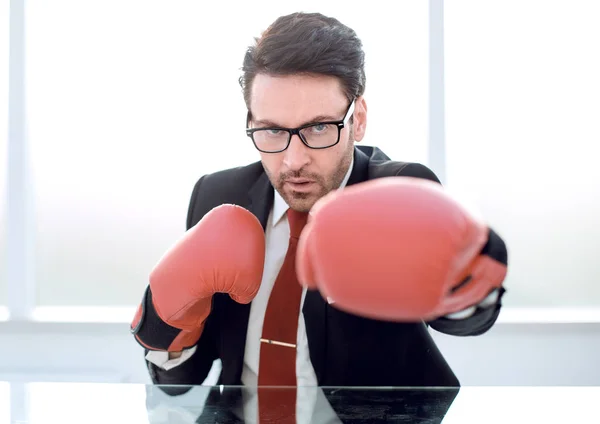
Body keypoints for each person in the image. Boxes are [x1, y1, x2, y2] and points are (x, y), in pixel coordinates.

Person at [130, 11, 508, 423]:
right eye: (271, 130)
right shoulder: (218, 195)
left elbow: (466, 321)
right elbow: (178, 381)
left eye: (319, 128)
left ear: (357, 119)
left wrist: (472, 268)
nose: (294, 160)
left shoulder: (395, 189)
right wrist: (167, 313)